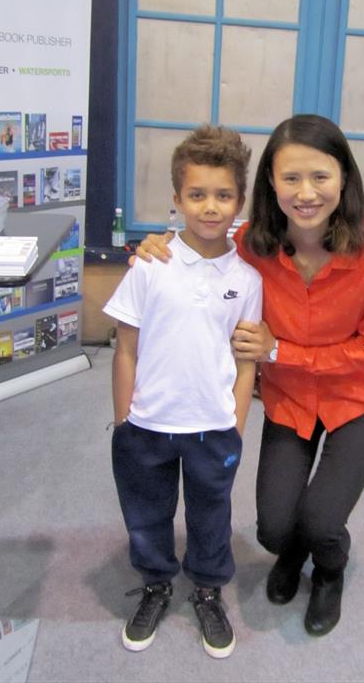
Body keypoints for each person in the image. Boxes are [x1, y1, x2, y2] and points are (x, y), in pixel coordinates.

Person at [133, 113, 364, 638]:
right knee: (275, 531)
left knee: (323, 522)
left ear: (343, 178)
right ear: (270, 185)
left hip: (358, 399)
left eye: (320, 177)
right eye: (290, 179)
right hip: (291, 401)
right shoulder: (255, 244)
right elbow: (199, 235)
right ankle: (295, 548)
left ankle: (330, 569)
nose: (306, 193)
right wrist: (150, 245)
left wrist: (280, 350)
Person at [103, 125, 262, 658]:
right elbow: (126, 347)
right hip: (147, 424)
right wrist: (124, 418)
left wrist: (235, 422)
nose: (210, 207)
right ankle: (154, 582)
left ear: (239, 201)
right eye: (197, 195)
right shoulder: (152, 264)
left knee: (210, 514)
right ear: (177, 200)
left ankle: (209, 588)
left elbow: (245, 360)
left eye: (223, 195)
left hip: (212, 428)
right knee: (146, 513)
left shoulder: (247, 278)